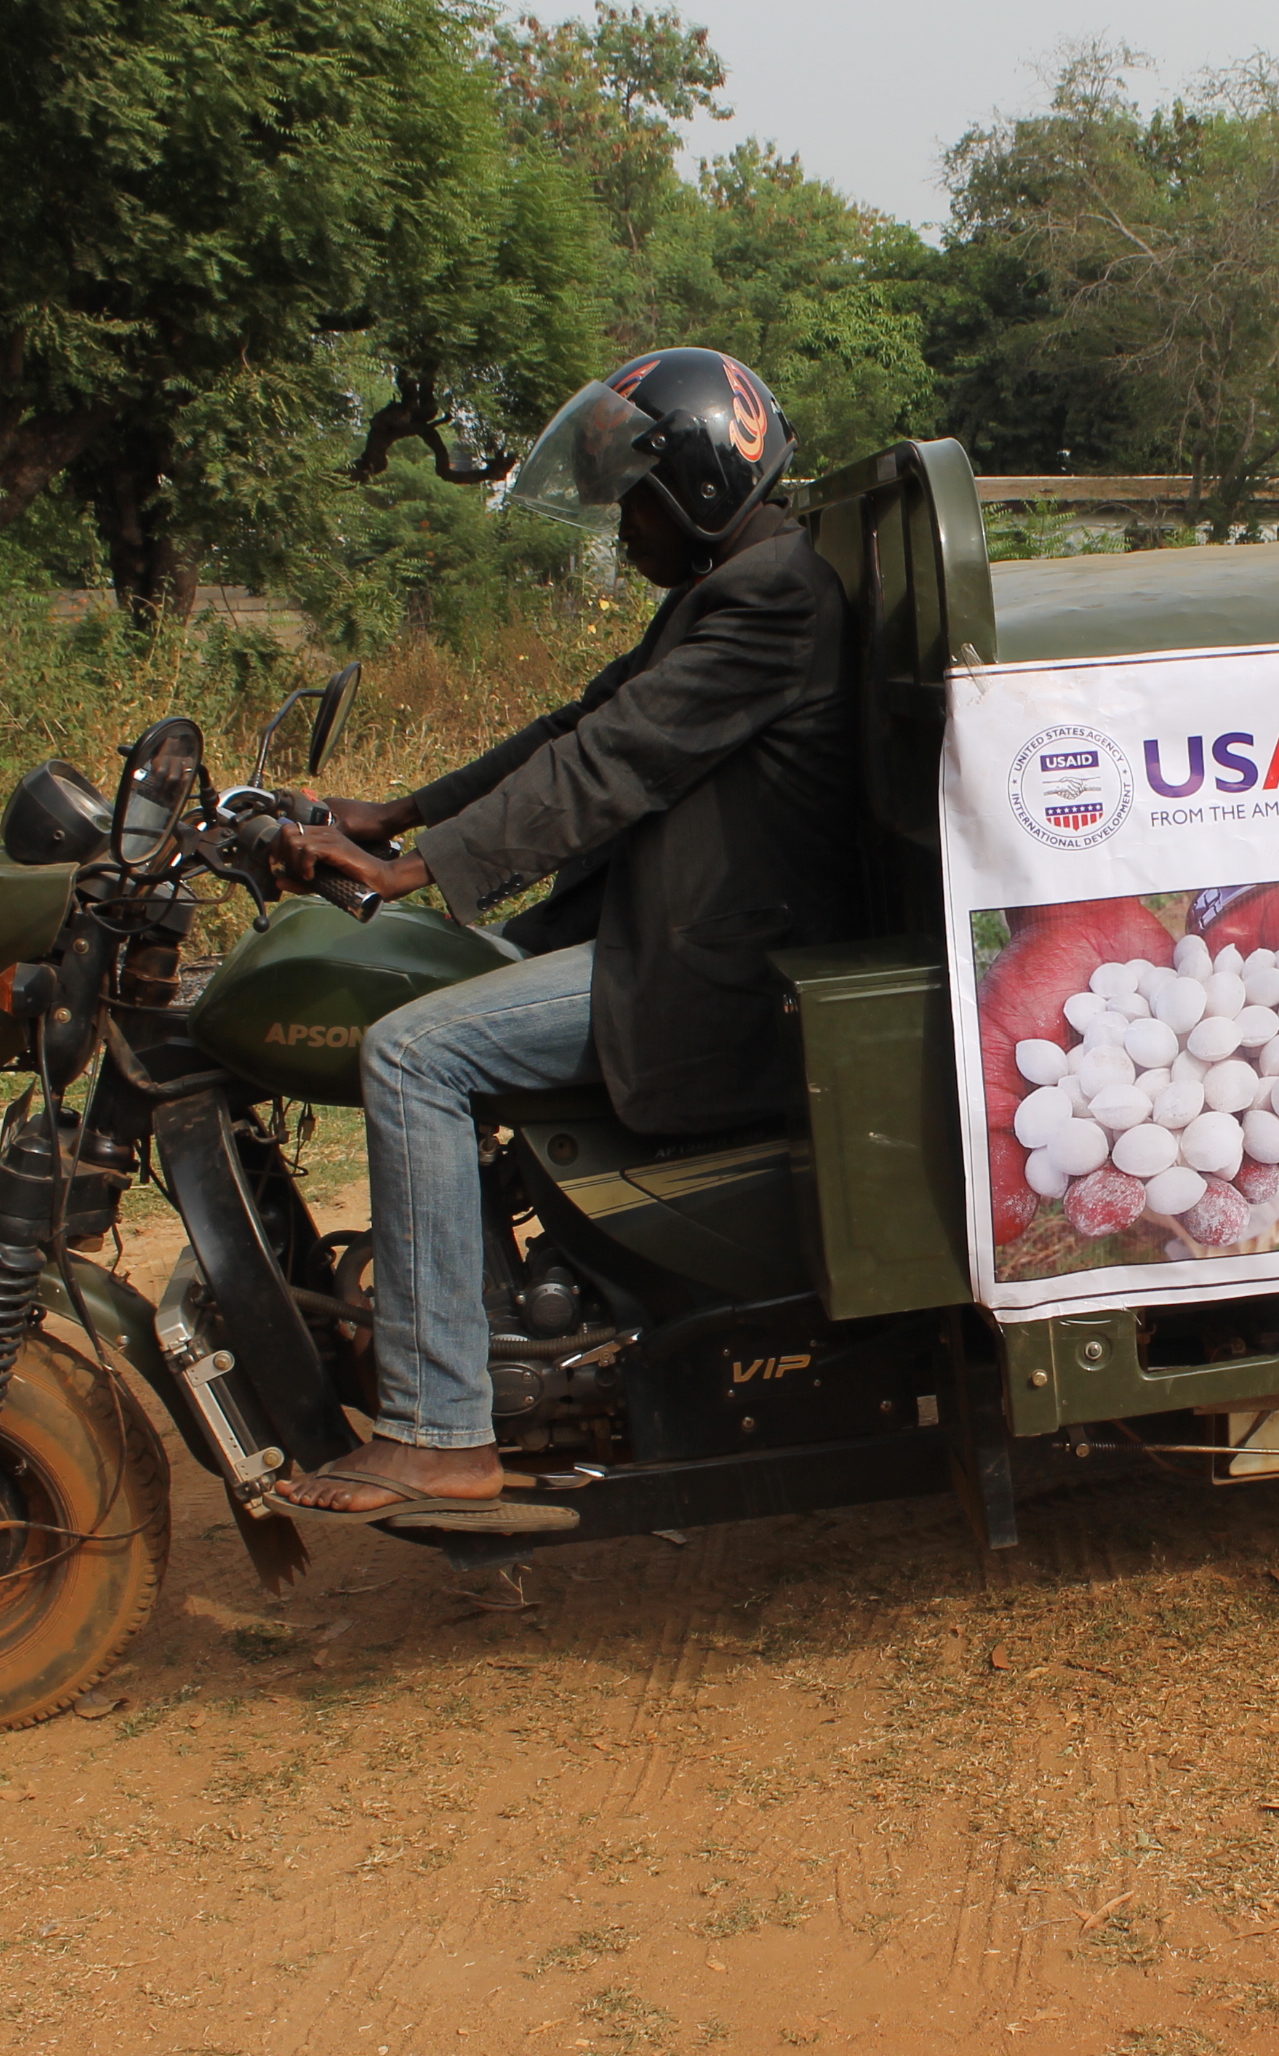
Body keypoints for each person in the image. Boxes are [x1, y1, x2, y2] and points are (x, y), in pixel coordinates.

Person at [265, 348, 856, 1526]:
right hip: (675, 931)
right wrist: (397, 811)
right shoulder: (734, 582)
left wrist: (408, 869)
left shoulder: (772, 598)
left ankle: (441, 1432)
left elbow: (612, 765)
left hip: (716, 970)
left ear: (697, 486)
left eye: (632, 499)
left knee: (413, 1052)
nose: (619, 527)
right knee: (438, 994)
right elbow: (580, 721)